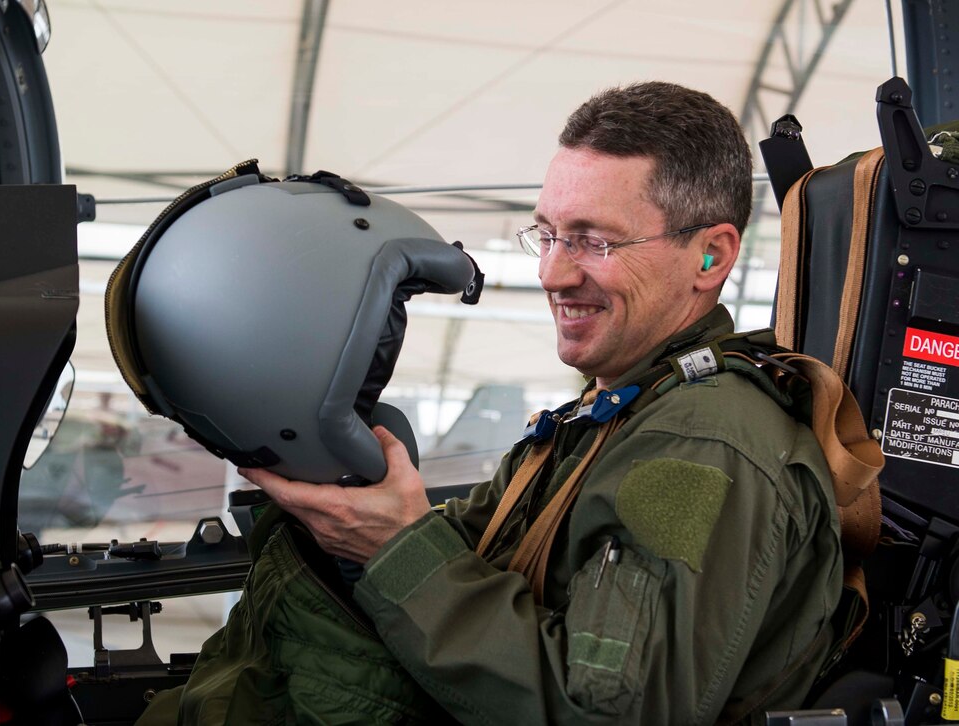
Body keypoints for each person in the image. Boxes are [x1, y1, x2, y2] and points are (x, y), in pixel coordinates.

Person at [239, 81, 844, 724]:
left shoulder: (699, 448)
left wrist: (399, 549)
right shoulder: (617, 411)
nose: (551, 274)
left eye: (593, 241)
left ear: (710, 255)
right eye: (548, 234)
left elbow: (603, 712)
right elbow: (482, 552)